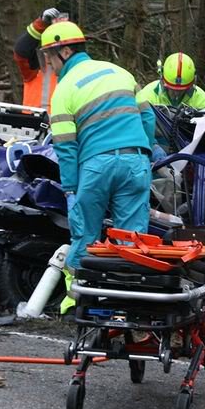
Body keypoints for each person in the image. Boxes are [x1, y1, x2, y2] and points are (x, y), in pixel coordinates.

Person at [41, 20, 156, 315]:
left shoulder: (64, 90)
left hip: (96, 165)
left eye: (49, 58)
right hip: (135, 162)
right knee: (131, 241)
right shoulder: (121, 73)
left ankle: (79, 303)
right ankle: (126, 308)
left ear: (64, 52)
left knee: (86, 237)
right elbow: (148, 119)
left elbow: (66, 147)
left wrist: (70, 189)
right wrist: (144, 153)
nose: (49, 65)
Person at [13, 8, 62, 111]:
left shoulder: (76, 67)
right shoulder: (38, 63)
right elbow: (21, 51)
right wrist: (41, 24)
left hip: (63, 126)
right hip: (32, 124)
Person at [136, 52, 205, 109]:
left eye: (181, 90)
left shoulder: (201, 100)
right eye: (171, 89)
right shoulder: (147, 95)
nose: (176, 94)